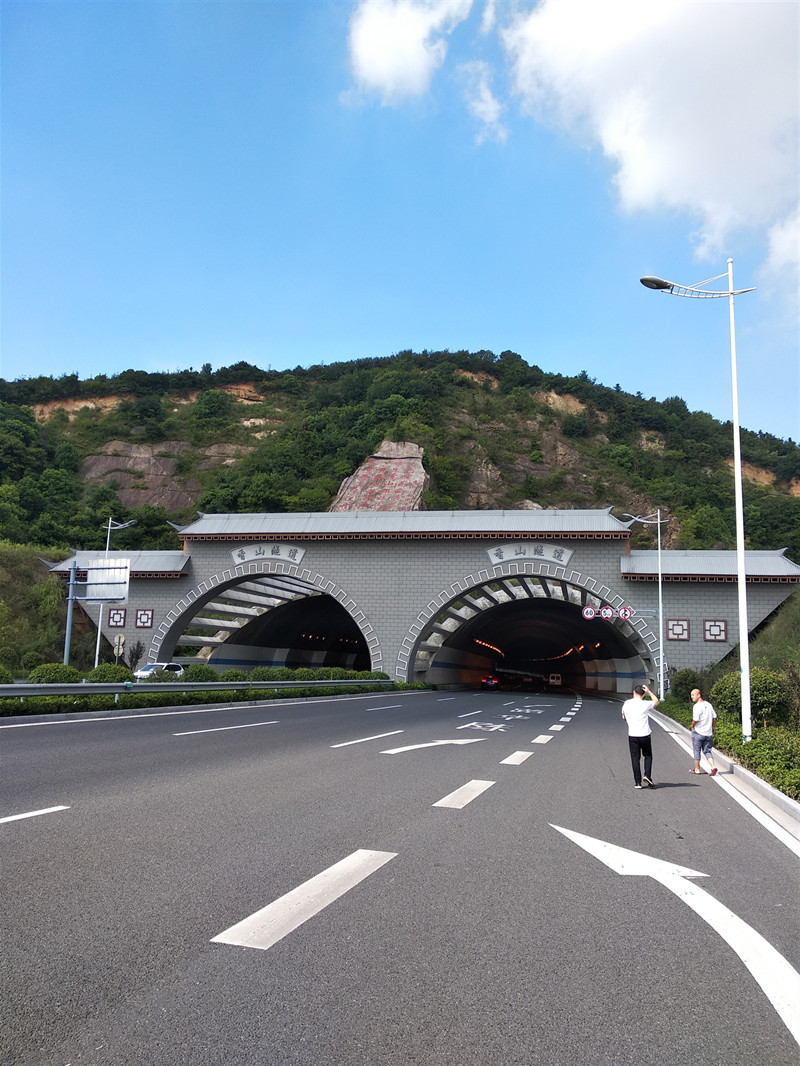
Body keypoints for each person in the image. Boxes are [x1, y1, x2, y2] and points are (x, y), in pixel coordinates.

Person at [621, 683, 659, 789]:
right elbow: (656, 702)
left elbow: (623, 716)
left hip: (632, 735)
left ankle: (637, 783)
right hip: (645, 734)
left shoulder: (627, 703)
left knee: (635, 758)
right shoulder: (645, 704)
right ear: (643, 695)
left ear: (634, 692)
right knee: (647, 756)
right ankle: (647, 775)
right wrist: (649, 691)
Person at [689, 687, 718, 776]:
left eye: (693, 695)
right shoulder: (708, 705)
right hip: (708, 733)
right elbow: (714, 717)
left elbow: (696, 719)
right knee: (707, 751)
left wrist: (692, 726)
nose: (692, 697)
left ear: (699, 695)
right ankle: (713, 767)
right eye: (691, 695)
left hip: (698, 733)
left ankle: (697, 769)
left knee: (696, 751)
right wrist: (713, 727)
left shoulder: (697, 706)